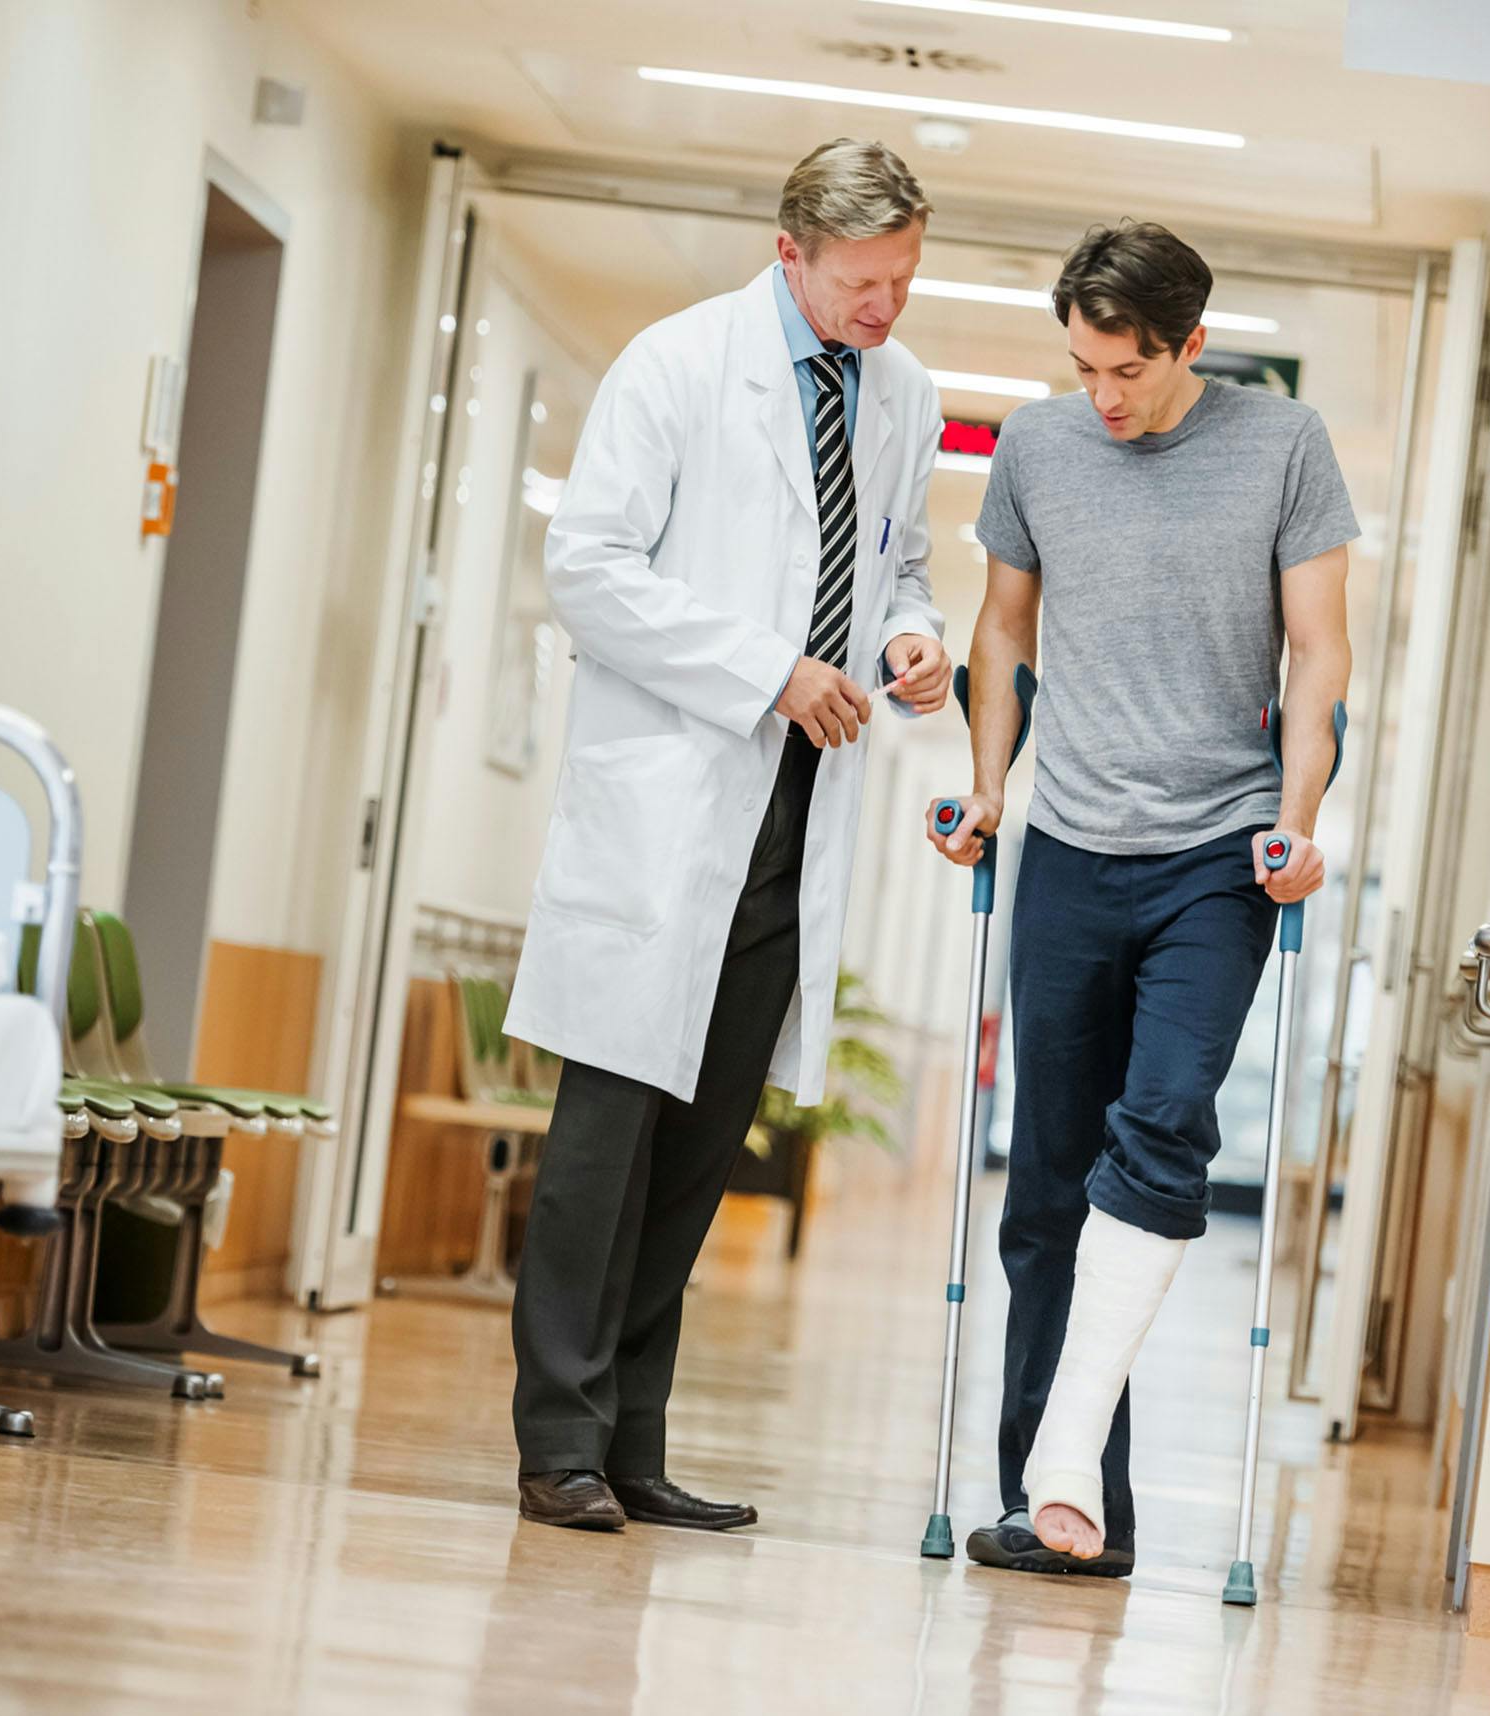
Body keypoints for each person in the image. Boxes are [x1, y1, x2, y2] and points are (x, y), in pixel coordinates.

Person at [504, 139, 951, 1535]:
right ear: (791, 253)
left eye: (903, 280)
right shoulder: (677, 366)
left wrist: (912, 639)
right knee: (604, 1146)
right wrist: (768, 669)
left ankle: (634, 1441)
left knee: (701, 1150)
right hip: (672, 805)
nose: (887, 307)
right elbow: (586, 568)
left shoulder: (907, 394)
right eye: (864, 282)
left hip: (791, 817)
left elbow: (902, 562)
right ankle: (557, 1444)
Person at [931, 220, 1356, 1578]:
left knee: (1165, 1123)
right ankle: (1062, 1505)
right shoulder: (1040, 447)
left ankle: (1063, 1474)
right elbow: (1003, 627)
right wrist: (989, 783)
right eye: (1084, 366)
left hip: (1213, 860)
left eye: (1128, 370)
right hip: (1066, 848)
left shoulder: (1284, 447)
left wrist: (1298, 824)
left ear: (1191, 339)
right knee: (1045, 1193)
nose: (1103, 396)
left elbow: (1319, 654)